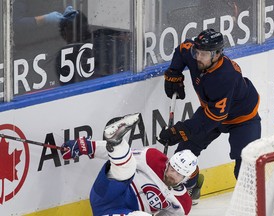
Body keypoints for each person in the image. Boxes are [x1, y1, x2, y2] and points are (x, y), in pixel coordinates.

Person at [158, 28, 261, 196]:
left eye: (203, 54)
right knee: (182, 159)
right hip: (211, 111)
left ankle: (264, 204)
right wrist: (174, 73)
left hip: (242, 119)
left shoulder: (225, 77)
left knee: (245, 168)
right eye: (197, 51)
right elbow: (182, 50)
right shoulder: (195, 55)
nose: (198, 57)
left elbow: (212, 119)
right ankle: (192, 188)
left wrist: (181, 130)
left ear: (217, 54)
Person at [61, 113, 198, 216]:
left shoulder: (182, 204)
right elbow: (126, 157)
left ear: (186, 178)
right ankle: (117, 142)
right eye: (172, 168)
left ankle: (118, 144)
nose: (171, 174)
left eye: (178, 174)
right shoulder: (153, 158)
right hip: (108, 191)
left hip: (119, 213)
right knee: (128, 166)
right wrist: (88, 147)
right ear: (168, 163)